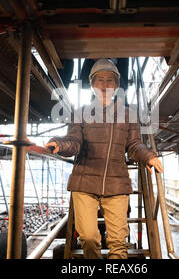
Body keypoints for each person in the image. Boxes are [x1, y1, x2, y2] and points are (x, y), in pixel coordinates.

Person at [45, 58, 163, 259]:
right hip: (84, 183)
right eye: (99, 80)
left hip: (116, 184)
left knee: (118, 243)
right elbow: (73, 142)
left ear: (117, 85)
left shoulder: (129, 115)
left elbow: (134, 145)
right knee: (89, 237)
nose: (105, 85)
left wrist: (149, 157)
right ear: (91, 85)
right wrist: (59, 144)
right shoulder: (80, 113)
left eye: (110, 80)